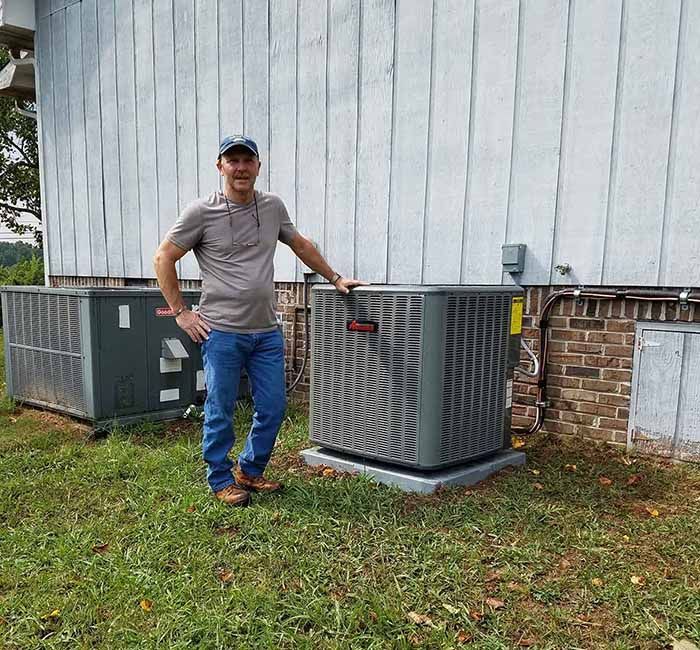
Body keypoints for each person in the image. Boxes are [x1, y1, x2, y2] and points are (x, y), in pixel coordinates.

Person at [154, 135, 366, 506]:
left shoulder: (271, 208)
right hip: (221, 332)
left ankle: (250, 470)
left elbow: (299, 244)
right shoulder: (201, 212)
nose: (240, 167)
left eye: (247, 160)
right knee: (220, 409)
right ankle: (220, 478)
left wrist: (334, 278)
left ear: (258, 166)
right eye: (232, 160)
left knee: (273, 406)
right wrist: (181, 313)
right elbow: (163, 258)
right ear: (220, 166)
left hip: (266, 331)